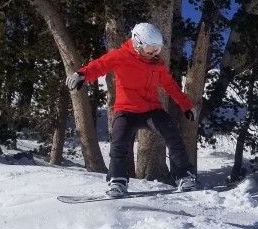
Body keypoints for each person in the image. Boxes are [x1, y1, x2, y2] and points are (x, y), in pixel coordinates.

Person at [65, 22, 197, 197]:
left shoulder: (157, 64)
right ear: (137, 43)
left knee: (172, 135)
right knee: (119, 143)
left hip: (152, 110)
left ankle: (185, 176)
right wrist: (82, 74)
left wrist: (186, 105)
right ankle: (117, 181)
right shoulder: (120, 56)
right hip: (126, 110)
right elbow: (99, 65)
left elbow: (170, 86)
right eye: (150, 48)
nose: (154, 53)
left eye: (157, 49)